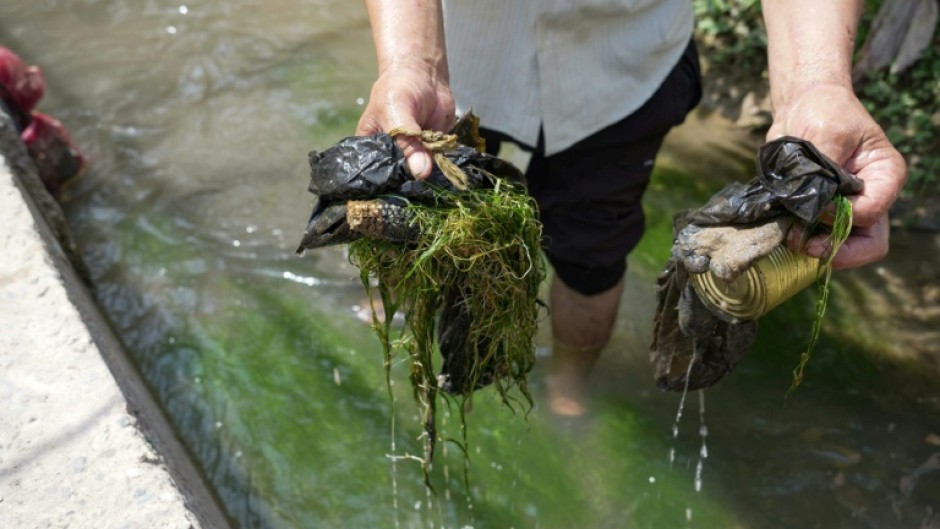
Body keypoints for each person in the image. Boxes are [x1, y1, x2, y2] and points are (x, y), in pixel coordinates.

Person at [355, 1, 907, 416]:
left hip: (624, 61)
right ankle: (388, 307)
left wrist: (816, 85)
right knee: (421, 205)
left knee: (594, 246)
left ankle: (570, 387)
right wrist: (411, 62)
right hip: (457, 50)